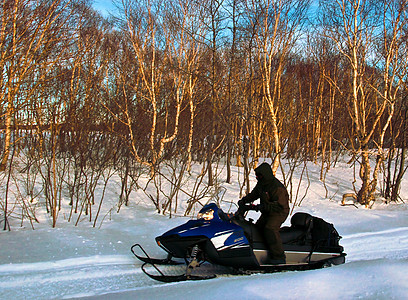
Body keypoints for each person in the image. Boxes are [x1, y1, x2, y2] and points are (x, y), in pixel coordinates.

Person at [238, 162, 290, 264]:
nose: (257, 177)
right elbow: (254, 194)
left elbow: (279, 205)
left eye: (259, 175)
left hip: (279, 212)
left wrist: (261, 206)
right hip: (267, 211)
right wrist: (244, 201)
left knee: (270, 228)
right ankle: (261, 252)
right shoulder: (262, 184)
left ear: (265, 174)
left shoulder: (276, 187)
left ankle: (279, 257)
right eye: (257, 176)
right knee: (257, 229)